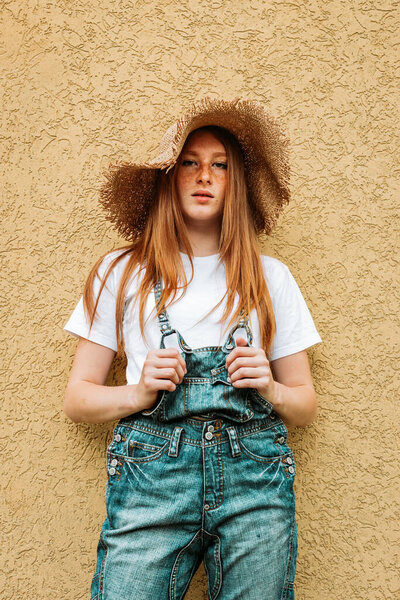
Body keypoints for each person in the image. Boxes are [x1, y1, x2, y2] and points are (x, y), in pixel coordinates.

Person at [63, 97, 322, 600]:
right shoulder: (121, 273)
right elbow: (78, 398)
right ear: (169, 176)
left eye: (220, 165)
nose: (205, 175)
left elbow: (305, 404)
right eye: (190, 162)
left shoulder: (271, 278)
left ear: (235, 183)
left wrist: (268, 385)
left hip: (255, 476)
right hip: (151, 477)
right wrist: (138, 392)